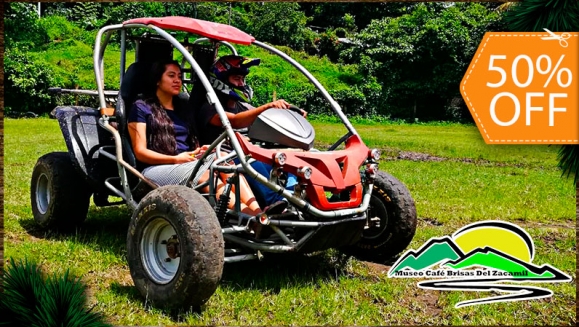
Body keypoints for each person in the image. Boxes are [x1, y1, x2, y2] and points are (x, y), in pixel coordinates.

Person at [127, 59, 269, 216]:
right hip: (155, 169)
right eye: (171, 75)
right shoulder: (141, 107)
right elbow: (140, 152)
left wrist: (199, 150)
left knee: (224, 160)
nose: (177, 80)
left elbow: (187, 143)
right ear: (157, 80)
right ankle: (252, 216)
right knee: (205, 175)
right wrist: (176, 159)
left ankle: (258, 211)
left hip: (185, 162)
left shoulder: (183, 107)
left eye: (180, 76)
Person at [195, 55, 304, 206]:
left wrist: (290, 114)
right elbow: (234, 120)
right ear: (222, 80)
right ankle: (276, 204)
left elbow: (265, 118)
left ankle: (295, 196)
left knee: (292, 157)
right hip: (226, 157)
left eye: (242, 79)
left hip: (250, 152)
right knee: (253, 162)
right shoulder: (209, 109)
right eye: (236, 79)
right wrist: (267, 107)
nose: (241, 84)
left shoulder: (243, 107)